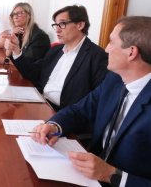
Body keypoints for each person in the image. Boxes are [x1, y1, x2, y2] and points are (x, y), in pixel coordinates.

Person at [32, 16, 151, 186]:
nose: (106, 49)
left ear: (131, 52)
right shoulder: (114, 80)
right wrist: (54, 126)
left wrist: (112, 175)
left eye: (111, 42)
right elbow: (80, 110)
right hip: (86, 175)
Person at [7, 5, 108, 111]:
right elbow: (32, 73)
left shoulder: (97, 56)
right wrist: (16, 51)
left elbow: (95, 101)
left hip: (63, 114)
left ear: (80, 25)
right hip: (40, 102)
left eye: (62, 24)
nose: (57, 30)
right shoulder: (56, 50)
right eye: (56, 25)